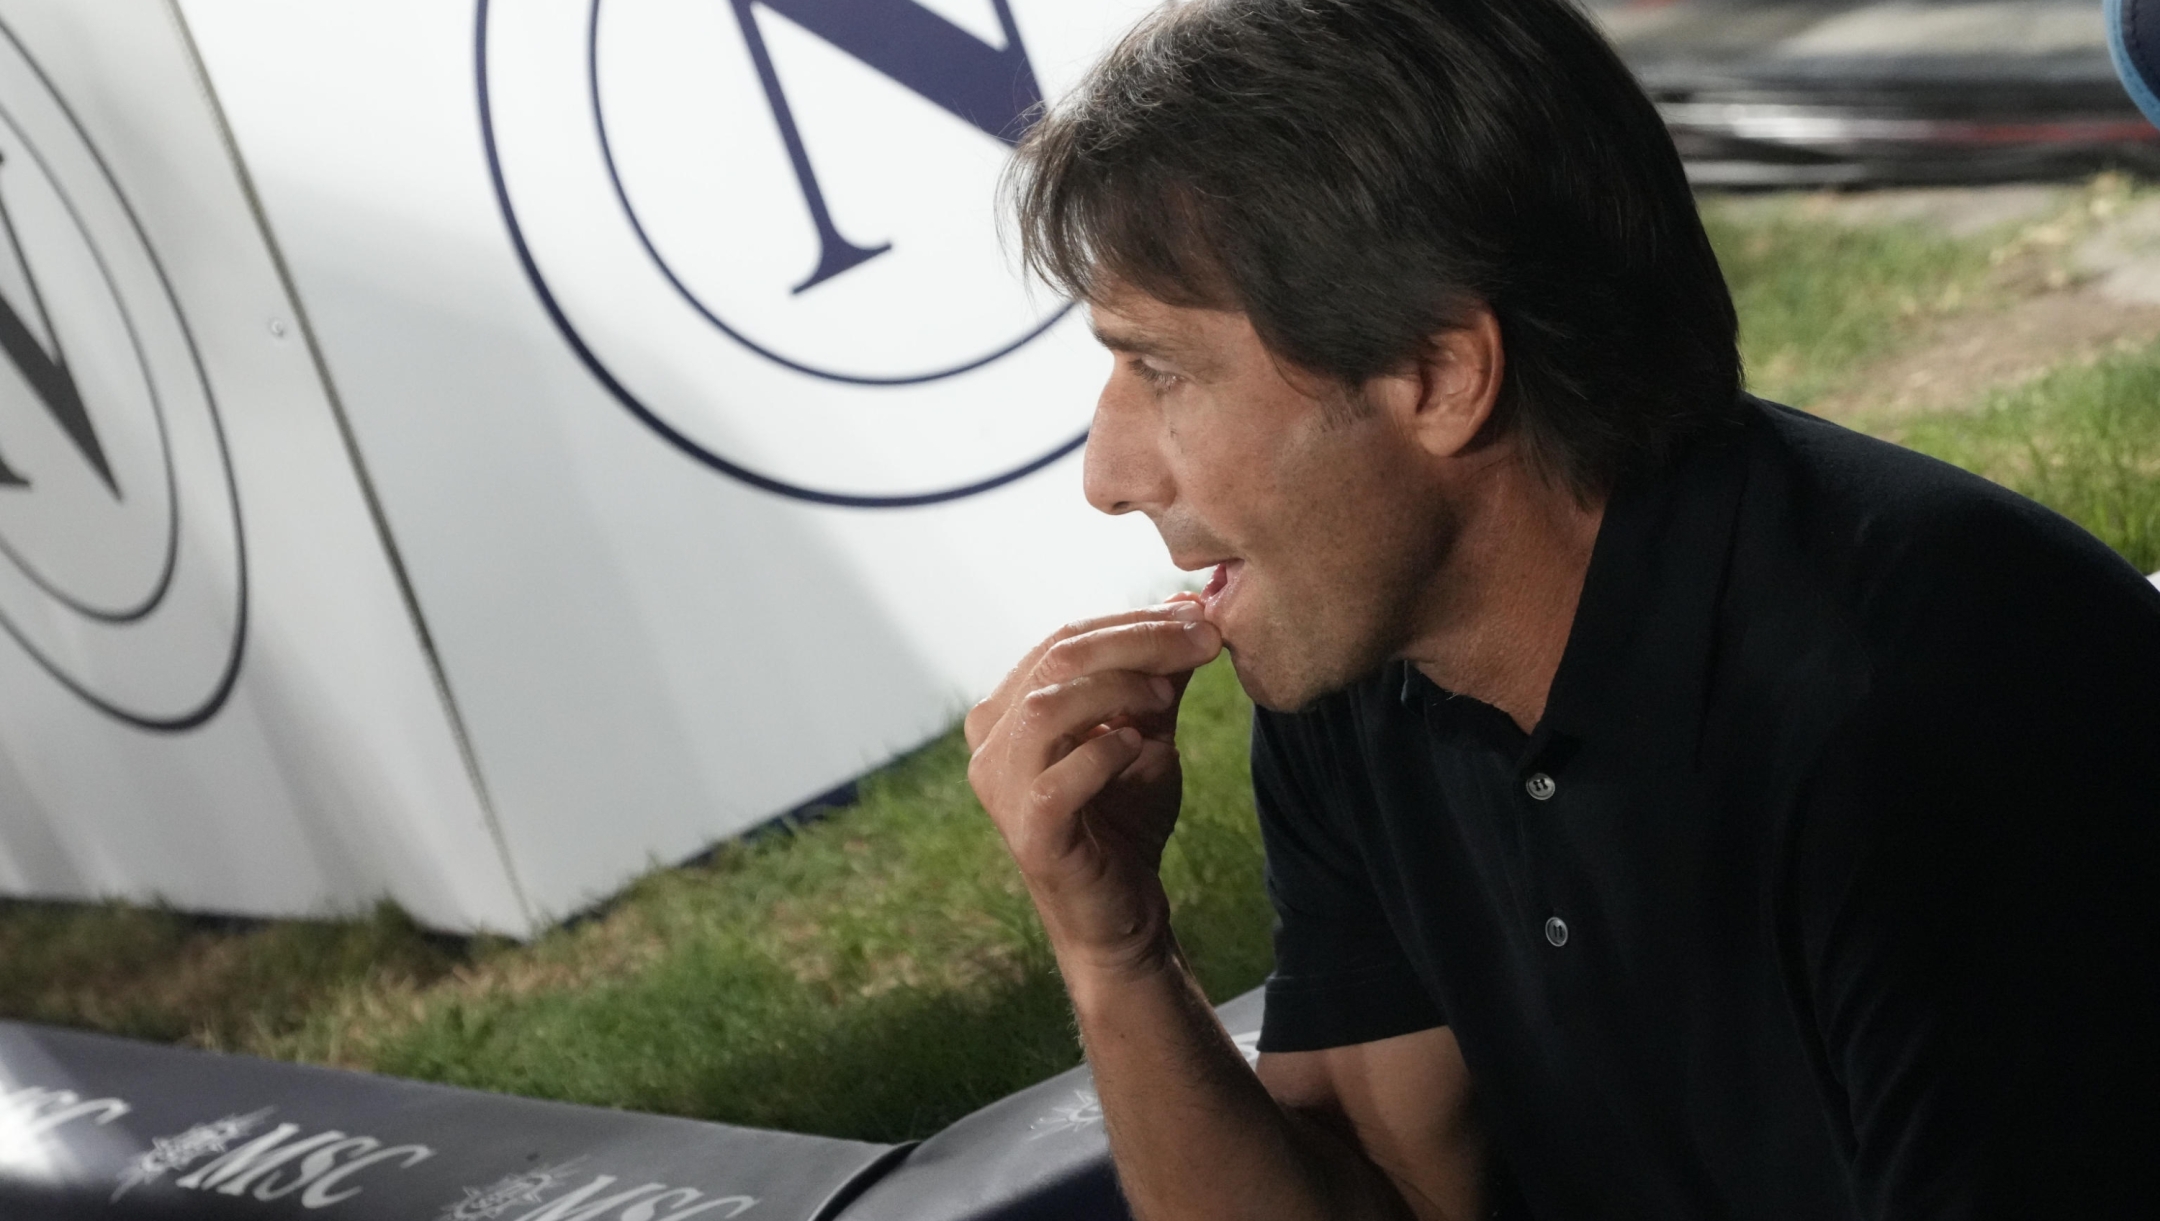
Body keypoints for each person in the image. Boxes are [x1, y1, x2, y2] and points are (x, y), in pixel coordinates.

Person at [962, 0, 2160, 1218]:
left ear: (1440, 376)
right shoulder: (1369, 663)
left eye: (1163, 370)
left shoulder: (1928, 718)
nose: (1108, 475)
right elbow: (1382, 1198)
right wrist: (1117, 955)